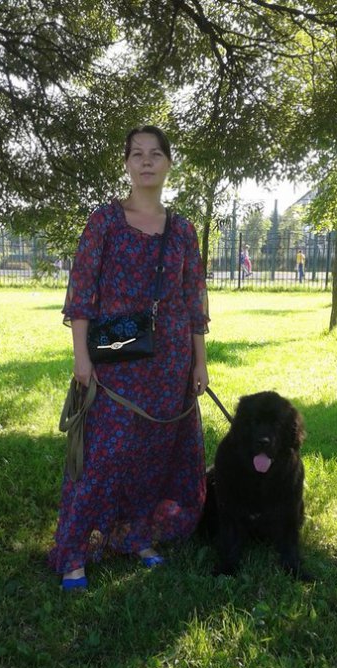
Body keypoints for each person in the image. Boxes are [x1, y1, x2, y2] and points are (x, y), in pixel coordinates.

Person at [50, 125, 210, 591]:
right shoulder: (104, 221)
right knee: (104, 454)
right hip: (115, 357)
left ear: (168, 164)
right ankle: (74, 551)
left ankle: (135, 535)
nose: (146, 162)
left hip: (171, 361)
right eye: (137, 154)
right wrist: (81, 359)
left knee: (154, 453)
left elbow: (193, 298)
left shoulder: (183, 231)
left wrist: (199, 362)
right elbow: (82, 292)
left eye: (155, 154)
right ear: (126, 164)